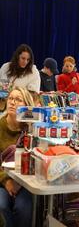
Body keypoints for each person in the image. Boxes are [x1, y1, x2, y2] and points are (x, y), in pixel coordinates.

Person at [0, 87, 35, 227]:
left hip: (26, 183)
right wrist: (7, 181)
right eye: (11, 98)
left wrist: (21, 183)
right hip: (2, 181)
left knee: (23, 208)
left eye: (18, 99)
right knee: (1, 206)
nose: (12, 102)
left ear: (26, 105)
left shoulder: (31, 128)